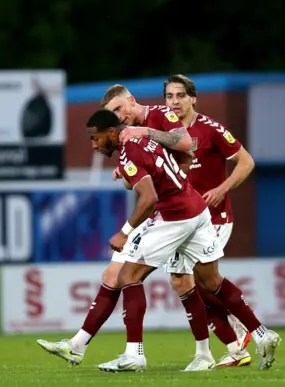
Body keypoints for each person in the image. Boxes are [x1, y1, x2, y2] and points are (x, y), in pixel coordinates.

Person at [37, 84, 194, 365]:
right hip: (159, 212)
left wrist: (145, 136)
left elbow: (186, 146)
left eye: (119, 110)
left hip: (174, 213)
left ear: (132, 101)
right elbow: (143, 173)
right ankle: (77, 345)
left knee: (193, 281)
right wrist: (126, 170)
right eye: (112, 114)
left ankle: (140, 354)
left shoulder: (159, 116)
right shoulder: (126, 142)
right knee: (114, 276)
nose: (118, 118)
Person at [87, 108, 217, 372]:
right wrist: (180, 181)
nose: (94, 144)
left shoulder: (129, 151)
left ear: (111, 132)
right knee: (201, 281)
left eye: (96, 138)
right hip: (193, 209)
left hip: (175, 216)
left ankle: (134, 355)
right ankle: (215, 351)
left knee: (129, 276)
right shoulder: (142, 140)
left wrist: (124, 231)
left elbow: (148, 199)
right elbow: (188, 152)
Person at [164, 74, 257, 367]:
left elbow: (247, 162)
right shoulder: (163, 130)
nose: (175, 102)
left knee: (201, 284)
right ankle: (236, 344)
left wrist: (222, 189)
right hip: (179, 221)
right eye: (169, 96)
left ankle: (238, 331)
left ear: (193, 98)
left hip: (214, 218)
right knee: (184, 284)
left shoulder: (211, 129)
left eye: (180, 96)